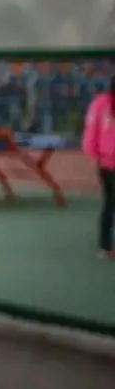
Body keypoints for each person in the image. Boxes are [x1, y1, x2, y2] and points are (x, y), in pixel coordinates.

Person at [82, 76, 115, 260]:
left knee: (109, 203)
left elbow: (91, 130)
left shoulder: (99, 103)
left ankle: (105, 247)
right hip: (108, 161)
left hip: (105, 162)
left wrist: (95, 153)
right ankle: (105, 246)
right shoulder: (101, 103)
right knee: (110, 203)